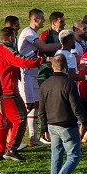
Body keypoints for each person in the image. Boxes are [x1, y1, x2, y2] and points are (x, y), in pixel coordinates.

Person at [39, 56, 87, 174]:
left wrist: (43, 126)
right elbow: (76, 107)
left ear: (52, 67)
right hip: (67, 124)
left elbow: (41, 108)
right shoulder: (69, 83)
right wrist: (85, 123)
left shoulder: (45, 84)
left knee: (56, 154)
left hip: (51, 125)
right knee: (74, 156)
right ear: (66, 67)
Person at [0, 27, 42, 161]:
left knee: (3, 122)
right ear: (8, 38)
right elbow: (21, 62)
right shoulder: (7, 51)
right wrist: (40, 61)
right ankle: (12, 149)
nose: (15, 40)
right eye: (14, 37)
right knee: (21, 119)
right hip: (9, 93)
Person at [18, 8, 60, 147]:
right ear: (35, 20)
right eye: (41, 18)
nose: (44, 20)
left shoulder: (32, 33)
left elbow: (39, 54)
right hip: (25, 73)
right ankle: (13, 138)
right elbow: (45, 47)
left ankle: (32, 138)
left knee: (35, 104)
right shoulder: (28, 32)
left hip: (33, 72)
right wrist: (63, 44)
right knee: (27, 106)